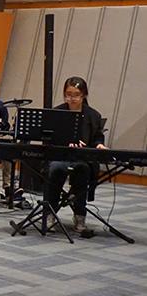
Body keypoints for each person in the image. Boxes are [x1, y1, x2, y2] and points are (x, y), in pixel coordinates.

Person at [47, 76, 106, 235]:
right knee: (56, 169)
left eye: (76, 95)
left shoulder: (93, 115)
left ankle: (80, 216)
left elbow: (97, 137)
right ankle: (50, 214)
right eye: (68, 94)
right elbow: (49, 139)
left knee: (83, 171)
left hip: (82, 158)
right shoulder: (57, 112)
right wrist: (65, 143)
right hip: (61, 156)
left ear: (84, 95)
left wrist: (98, 144)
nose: (71, 98)